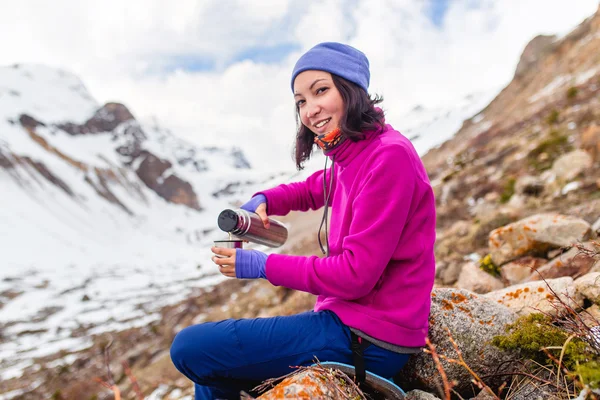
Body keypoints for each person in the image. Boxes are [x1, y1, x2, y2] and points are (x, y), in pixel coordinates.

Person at [170, 42, 436, 400]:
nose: (310, 110)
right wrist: (267, 199)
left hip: (371, 340)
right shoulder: (356, 151)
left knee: (190, 348)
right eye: (300, 102)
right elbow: (318, 187)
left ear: (351, 89)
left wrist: (261, 265)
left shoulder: (389, 157)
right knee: (211, 366)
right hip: (349, 324)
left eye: (320, 91)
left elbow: (355, 276)